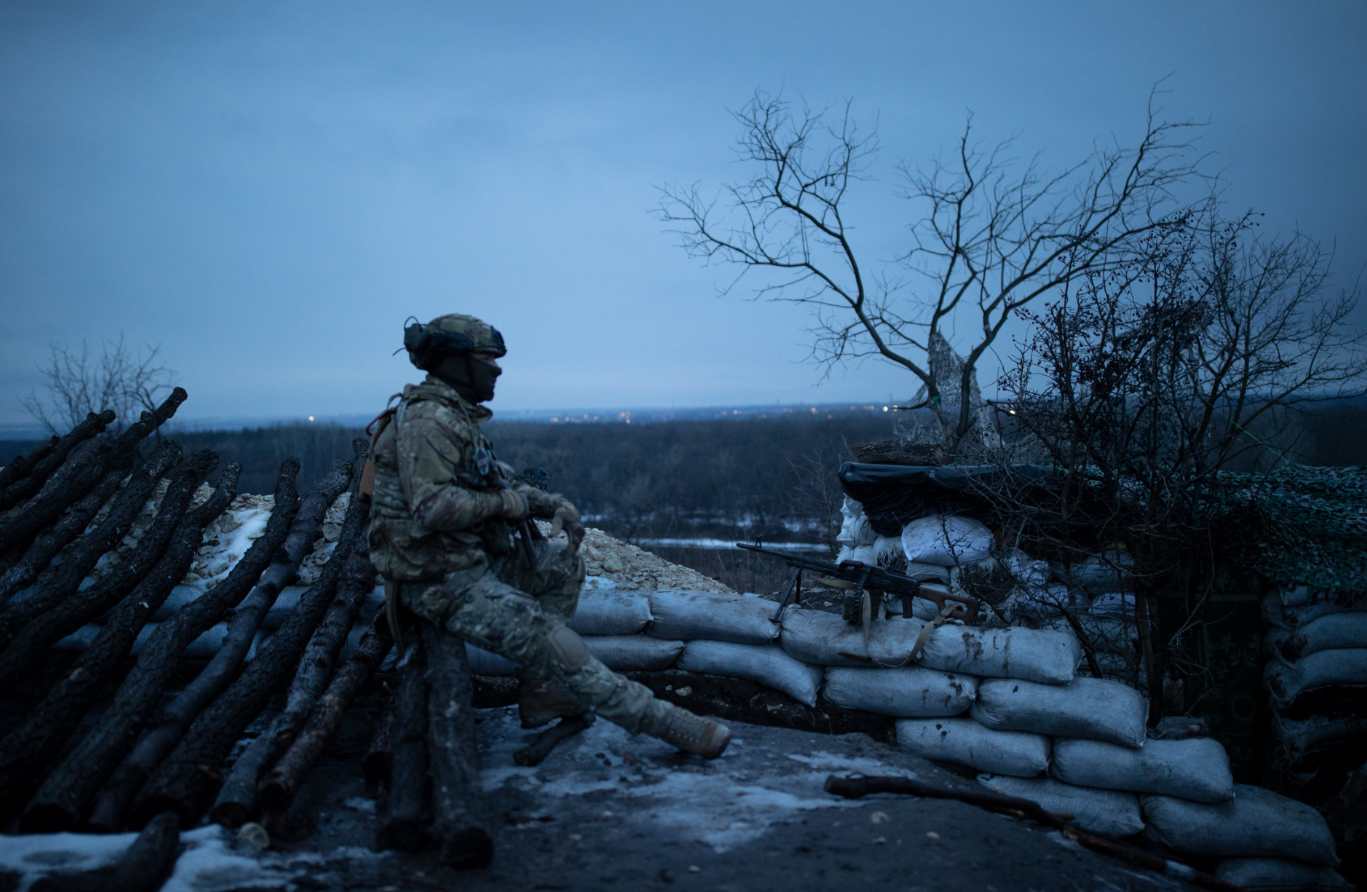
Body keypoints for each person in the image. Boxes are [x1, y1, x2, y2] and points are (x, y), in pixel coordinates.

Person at [366, 313, 732, 758]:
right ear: (453, 362)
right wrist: (509, 506)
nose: (497, 369)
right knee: (553, 643)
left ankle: (545, 693)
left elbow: (494, 482)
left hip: (467, 560)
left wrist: (551, 504)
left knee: (562, 567)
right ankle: (669, 724)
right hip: (437, 579)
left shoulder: (453, 418)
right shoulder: (429, 422)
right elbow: (434, 507)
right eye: (487, 359)